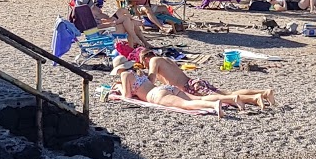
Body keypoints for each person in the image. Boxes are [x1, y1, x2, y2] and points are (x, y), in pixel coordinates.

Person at [115, 42, 277, 108]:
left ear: (144, 58)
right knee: (227, 92)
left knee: (218, 98)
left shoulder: (154, 62)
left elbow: (152, 80)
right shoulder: (165, 58)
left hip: (188, 87)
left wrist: (139, 77)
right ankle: (263, 93)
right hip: (194, 80)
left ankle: (254, 98)